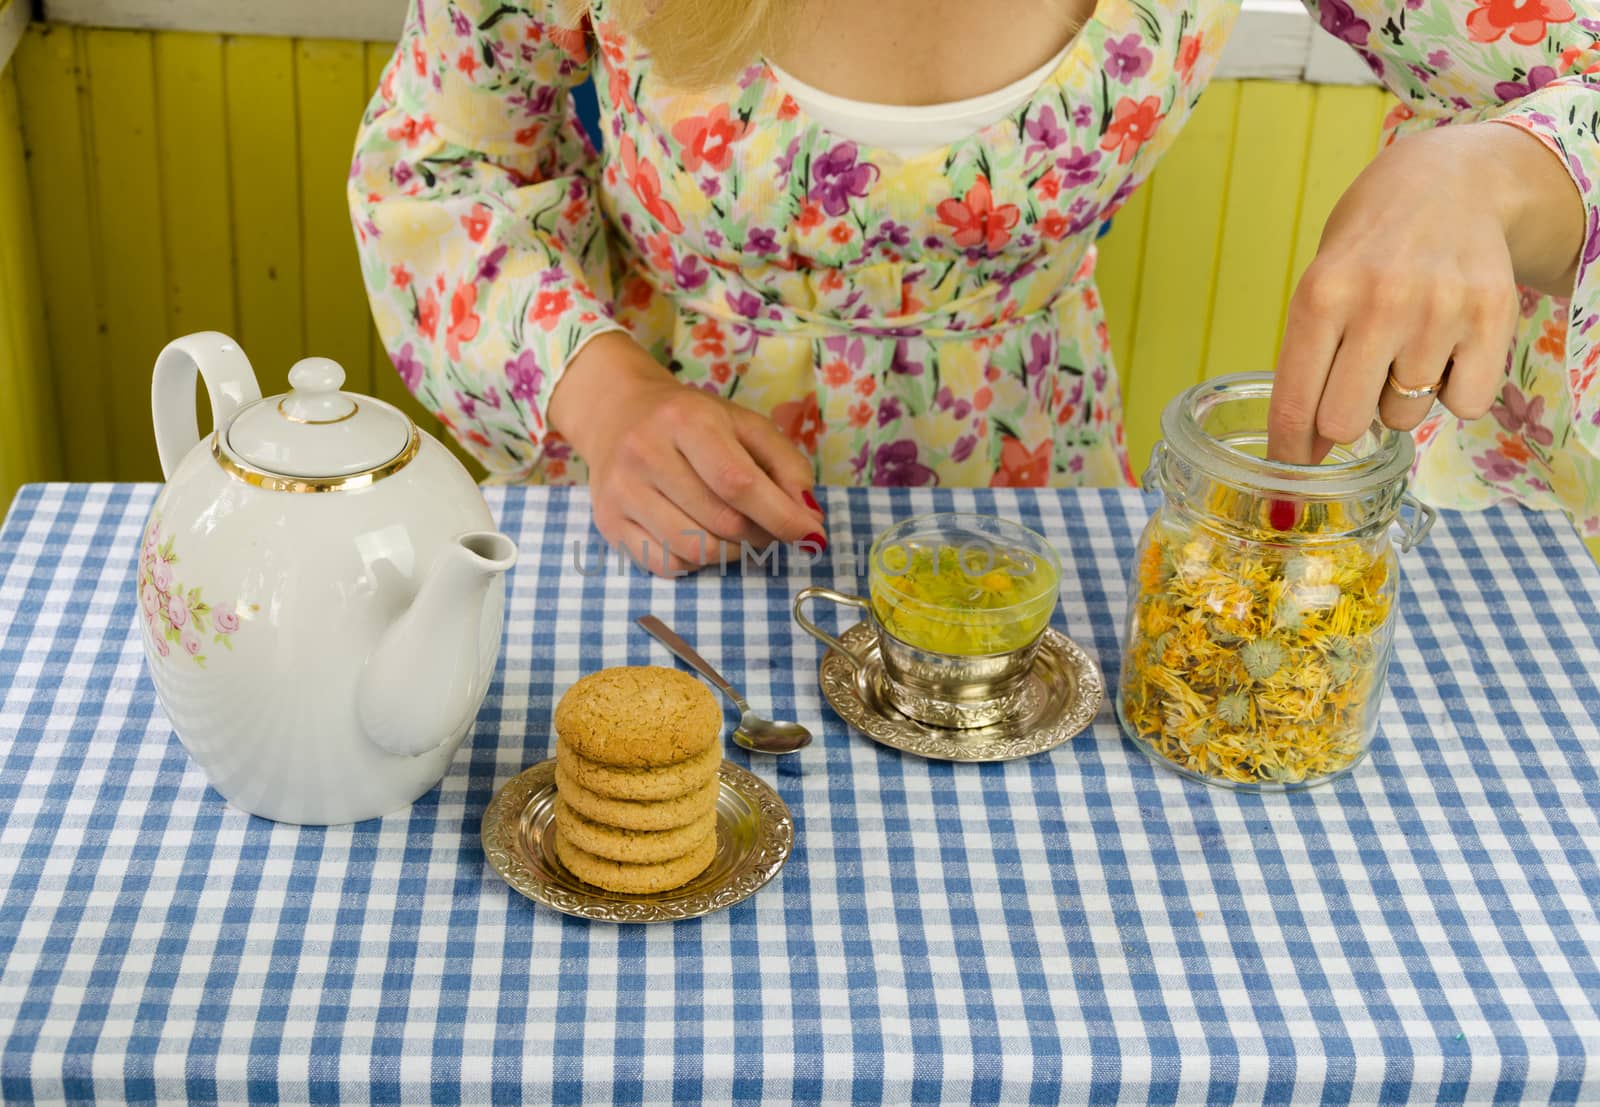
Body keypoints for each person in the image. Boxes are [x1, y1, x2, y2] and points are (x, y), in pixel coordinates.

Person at [349, 0, 1598, 575]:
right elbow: (441, 168)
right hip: (652, 521)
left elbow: (1572, 65)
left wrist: (1490, 168)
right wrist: (603, 391)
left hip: (1036, 524)